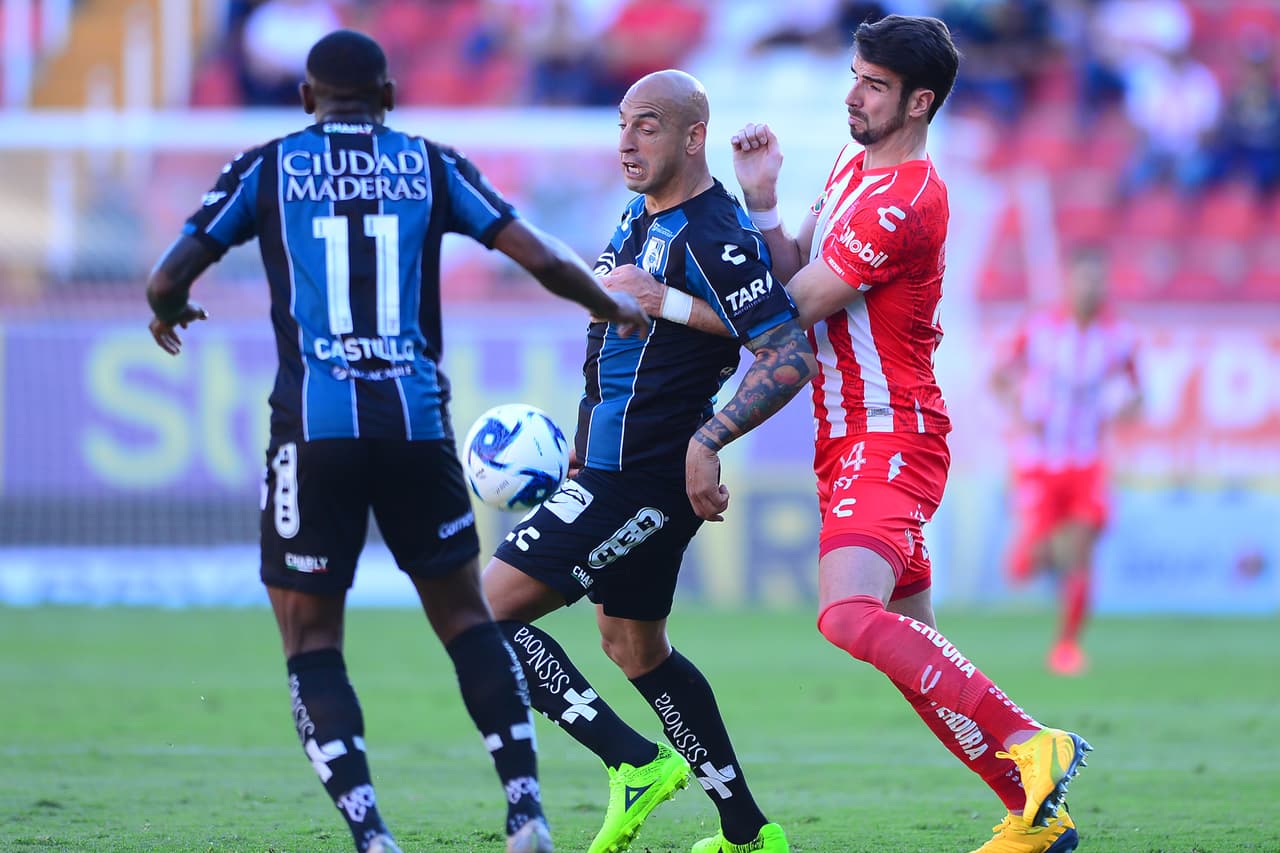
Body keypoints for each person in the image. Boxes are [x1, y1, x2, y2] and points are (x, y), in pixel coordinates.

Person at [144, 29, 648, 853]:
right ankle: (527, 810)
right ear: (388, 96)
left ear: (308, 99)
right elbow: (537, 255)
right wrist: (610, 301)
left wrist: (168, 311)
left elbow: (167, 274)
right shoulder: (430, 163)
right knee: (465, 618)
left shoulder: (269, 165)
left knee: (311, 641)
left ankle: (373, 834)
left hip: (312, 430)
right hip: (415, 423)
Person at [604, 16, 1093, 853]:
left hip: (887, 433)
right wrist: (761, 198)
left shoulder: (912, 197)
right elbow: (792, 264)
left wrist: (671, 303)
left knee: (845, 614)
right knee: (920, 654)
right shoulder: (853, 166)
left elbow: (788, 310)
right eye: (855, 75)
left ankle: (1029, 738)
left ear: (919, 102)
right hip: (849, 435)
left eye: (871, 84)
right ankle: (1031, 812)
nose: (852, 94)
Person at [481, 69, 816, 853]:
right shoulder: (637, 216)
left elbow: (785, 351)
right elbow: (616, 348)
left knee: (479, 613)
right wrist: (577, 442)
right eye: (622, 125)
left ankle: (632, 762)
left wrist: (709, 440)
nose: (627, 142)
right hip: (603, 469)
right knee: (635, 646)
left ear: (693, 137)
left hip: (641, 479)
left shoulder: (713, 235)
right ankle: (747, 833)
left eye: (649, 126)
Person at [990, 246, 1142, 676]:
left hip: (1087, 460)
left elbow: (1138, 388)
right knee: (1031, 561)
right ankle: (1030, 554)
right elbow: (999, 377)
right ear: (1068, 282)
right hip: (1039, 460)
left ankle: (1067, 647)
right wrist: (1021, 414)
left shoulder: (1119, 337)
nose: (1092, 288)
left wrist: (1129, 408)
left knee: (1080, 547)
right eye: (1084, 279)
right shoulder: (1039, 330)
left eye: (1098, 280)